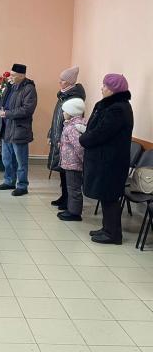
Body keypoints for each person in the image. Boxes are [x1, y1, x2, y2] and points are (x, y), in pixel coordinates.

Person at [79, 74, 133, 245]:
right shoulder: (108, 105)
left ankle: (113, 234)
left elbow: (101, 132)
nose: (102, 88)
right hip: (104, 159)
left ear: (114, 89)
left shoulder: (118, 109)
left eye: (105, 86)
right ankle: (106, 228)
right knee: (105, 195)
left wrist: (84, 139)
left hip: (111, 161)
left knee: (110, 196)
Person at [0, 63, 37, 196]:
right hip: (6, 129)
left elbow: (27, 109)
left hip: (19, 130)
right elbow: (0, 103)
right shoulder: (9, 87)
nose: (10, 77)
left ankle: (22, 186)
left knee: (21, 161)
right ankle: (9, 182)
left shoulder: (29, 89)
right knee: (7, 159)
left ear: (22, 76)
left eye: (13, 75)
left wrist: (7, 113)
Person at [47, 66, 86, 210]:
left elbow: (72, 122)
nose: (60, 82)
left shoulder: (74, 98)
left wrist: (61, 138)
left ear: (70, 82)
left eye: (62, 80)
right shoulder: (63, 95)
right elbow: (57, 118)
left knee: (67, 172)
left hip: (65, 140)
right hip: (59, 137)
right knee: (62, 170)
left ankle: (68, 200)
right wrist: (51, 133)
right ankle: (64, 196)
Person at [57, 98, 87, 221]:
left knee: (74, 188)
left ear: (71, 112)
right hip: (71, 162)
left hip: (73, 163)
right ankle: (71, 209)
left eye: (65, 111)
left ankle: (74, 213)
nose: (63, 113)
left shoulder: (72, 128)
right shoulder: (72, 125)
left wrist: (83, 162)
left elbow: (79, 147)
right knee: (72, 187)